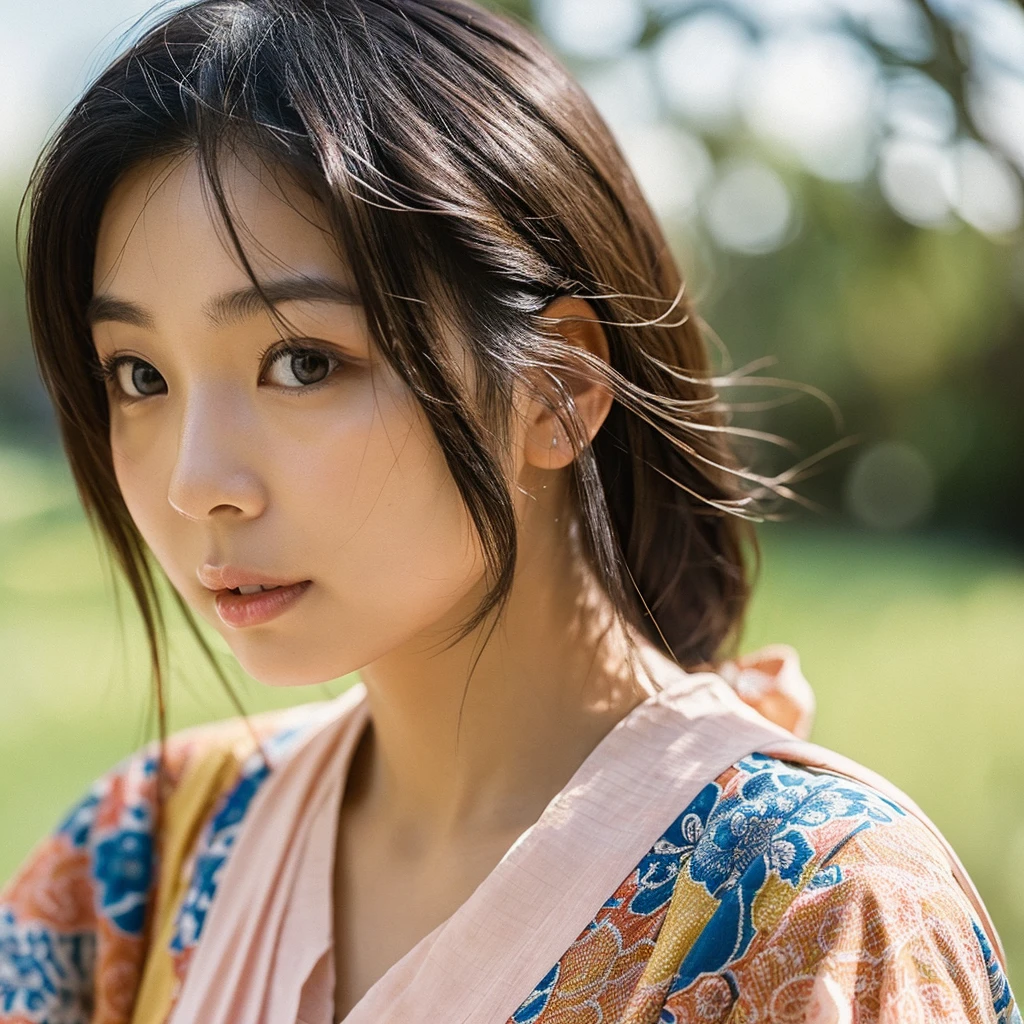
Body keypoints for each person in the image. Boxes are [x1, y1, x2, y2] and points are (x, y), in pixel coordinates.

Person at [1, 1, 1017, 1021]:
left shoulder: (825, 913)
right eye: (137, 375)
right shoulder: (142, 855)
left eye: (302, 362)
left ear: (561, 386)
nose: (194, 481)